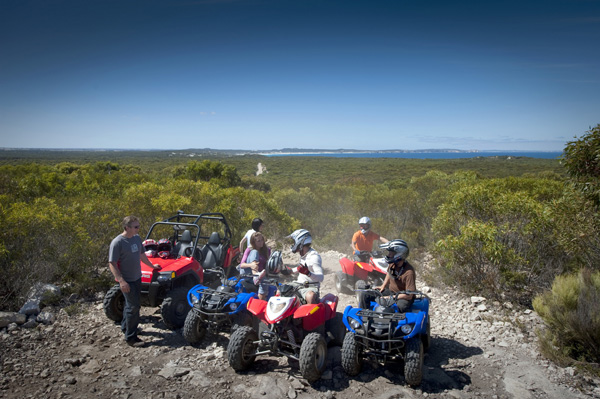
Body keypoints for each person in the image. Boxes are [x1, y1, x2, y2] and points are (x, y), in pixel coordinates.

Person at [108, 216, 161, 347]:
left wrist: (151, 266)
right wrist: (121, 281)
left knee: (130, 305)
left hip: (137, 277)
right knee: (134, 307)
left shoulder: (137, 239)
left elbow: (142, 255)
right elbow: (112, 263)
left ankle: (126, 328)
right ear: (127, 228)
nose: (138, 229)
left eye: (138, 226)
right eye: (136, 227)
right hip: (126, 280)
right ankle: (131, 338)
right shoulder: (118, 242)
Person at [359, 239, 416, 312]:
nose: (388, 255)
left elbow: (409, 295)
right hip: (391, 292)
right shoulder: (392, 264)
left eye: (391, 253)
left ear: (399, 254)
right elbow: (389, 273)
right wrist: (382, 286)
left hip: (403, 297)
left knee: (401, 307)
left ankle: (396, 322)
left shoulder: (409, 272)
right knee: (365, 294)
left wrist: (389, 298)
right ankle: (363, 317)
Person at [285, 229, 324, 304]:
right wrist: (289, 271)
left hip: (310, 286)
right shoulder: (303, 254)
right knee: (280, 290)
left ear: (300, 241)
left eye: (294, 242)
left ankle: (311, 315)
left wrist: (308, 273)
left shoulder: (314, 257)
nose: (293, 244)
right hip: (298, 284)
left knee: (310, 296)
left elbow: (321, 278)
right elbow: (301, 268)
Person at [239, 231, 271, 300]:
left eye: (262, 240)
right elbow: (242, 265)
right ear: (254, 242)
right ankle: (255, 276)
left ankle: (261, 300)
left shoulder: (267, 250)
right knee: (255, 252)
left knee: (265, 281)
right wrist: (251, 265)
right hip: (248, 273)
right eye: (258, 241)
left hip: (260, 274)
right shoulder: (249, 249)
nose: (261, 242)